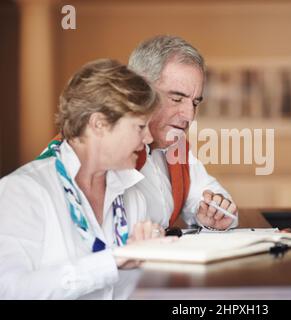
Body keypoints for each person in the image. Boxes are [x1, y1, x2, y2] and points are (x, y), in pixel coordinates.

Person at [0, 59, 168, 299]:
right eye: (140, 127)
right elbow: (7, 290)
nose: (149, 139)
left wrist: (147, 262)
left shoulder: (134, 197)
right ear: (99, 124)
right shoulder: (23, 191)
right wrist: (110, 262)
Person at [128, 35, 238, 230]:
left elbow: (204, 192)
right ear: (139, 90)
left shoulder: (176, 147)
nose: (189, 115)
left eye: (195, 102)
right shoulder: (103, 148)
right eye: (177, 99)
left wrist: (213, 211)